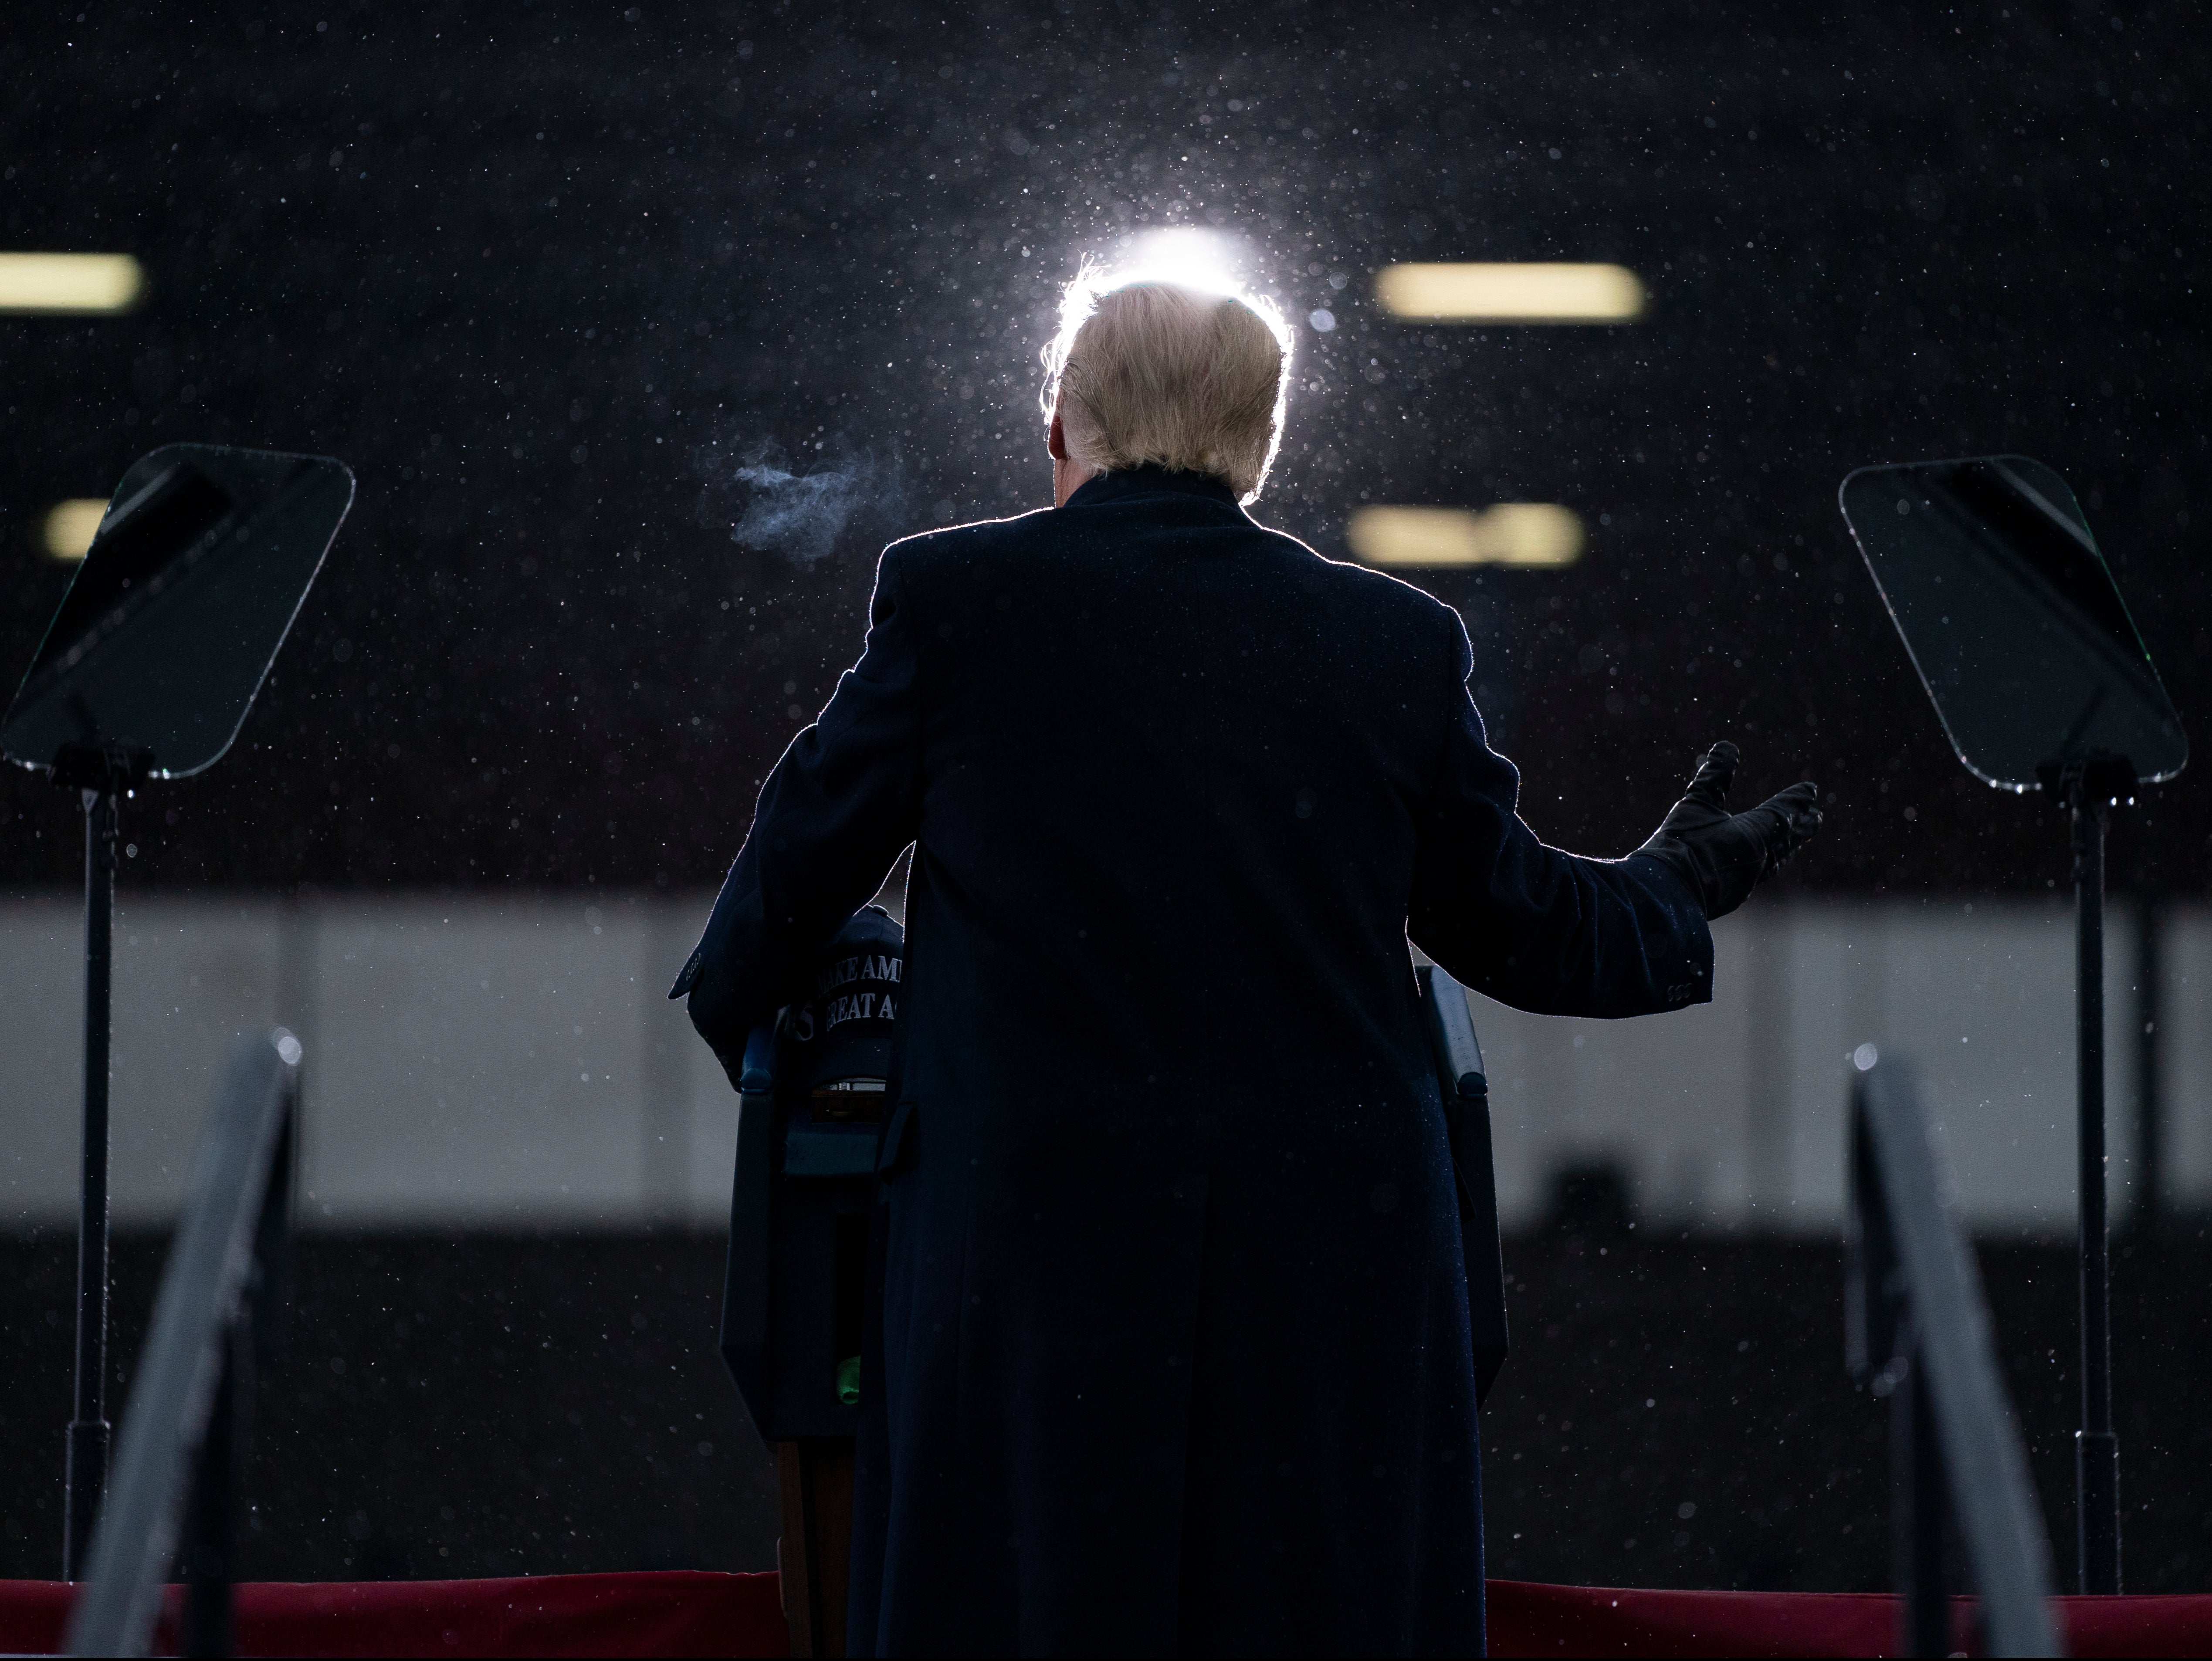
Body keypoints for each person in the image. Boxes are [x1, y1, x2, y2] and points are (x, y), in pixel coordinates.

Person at [674, 271, 1821, 1656]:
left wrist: (807, 1012)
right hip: (1330, 1284)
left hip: (1032, 1276)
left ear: (1060, 431)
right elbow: (1525, 929)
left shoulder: (956, 599)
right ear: (1260, 448)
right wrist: (1679, 881)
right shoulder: (1393, 644)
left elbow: (782, 893)